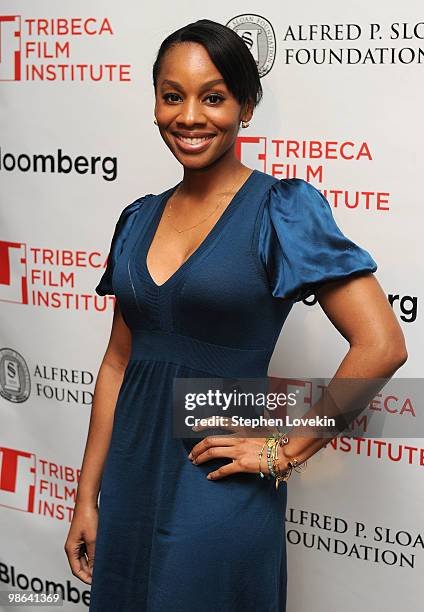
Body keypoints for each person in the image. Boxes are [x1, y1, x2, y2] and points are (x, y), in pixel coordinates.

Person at [64, 19, 408, 612]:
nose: (190, 116)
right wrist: (88, 495)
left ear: (246, 108)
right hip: (129, 480)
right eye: (173, 95)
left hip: (215, 485)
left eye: (214, 96)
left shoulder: (280, 210)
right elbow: (118, 363)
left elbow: (381, 345)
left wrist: (283, 451)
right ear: (154, 104)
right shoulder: (136, 218)